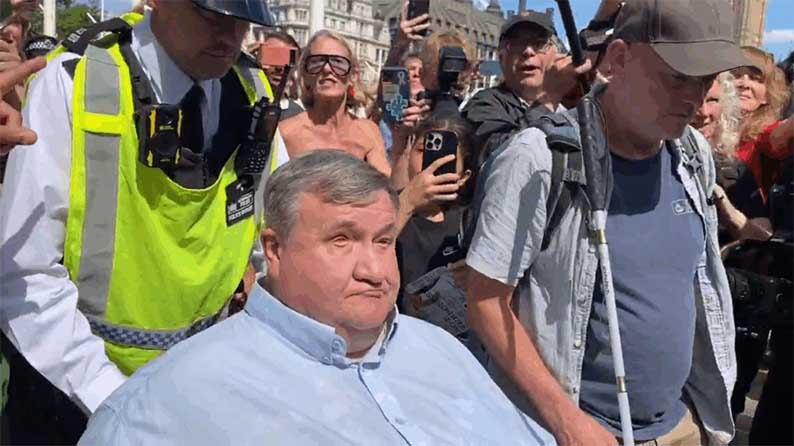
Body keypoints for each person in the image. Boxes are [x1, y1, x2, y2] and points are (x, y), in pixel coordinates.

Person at [78, 150, 556, 446]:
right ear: (275, 249)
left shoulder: (443, 351)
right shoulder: (161, 407)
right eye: (342, 240)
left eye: (384, 241)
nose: (374, 270)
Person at [464, 1, 750, 445]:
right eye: (677, 77)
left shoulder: (692, 155)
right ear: (617, 59)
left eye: (705, 80)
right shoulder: (540, 158)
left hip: (681, 425)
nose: (694, 98)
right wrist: (567, 422)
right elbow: (485, 301)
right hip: (574, 431)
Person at [0, 1, 285, 442]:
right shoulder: (75, 79)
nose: (231, 35)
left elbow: (272, 232)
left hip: (194, 389)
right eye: (212, 15)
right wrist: (117, 401)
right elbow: (25, 271)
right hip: (70, 397)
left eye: (243, 21)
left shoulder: (251, 89)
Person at [462, 11, 590, 167]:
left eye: (539, 43)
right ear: (501, 58)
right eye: (516, 44)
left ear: (557, 56)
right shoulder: (483, 105)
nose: (528, 51)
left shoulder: (573, 111)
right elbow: (501, 158)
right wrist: (549, 97)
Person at [395, 116, 475, 343]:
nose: (430, 164)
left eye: (446, 157)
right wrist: (408, 202)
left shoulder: (469, 219)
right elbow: (369, 247)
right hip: (401, 338)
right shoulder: (385, 206)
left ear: (463, 177)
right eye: (422, 150)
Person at [280, 30, 390, 175]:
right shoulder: (286, 133)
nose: (326, 69)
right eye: (317, 62)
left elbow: (386, 184)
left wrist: (401, 142)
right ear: (305, 75)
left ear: (353, 76)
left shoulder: (368, 132)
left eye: (338, 62)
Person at [692, 72, 772, 244]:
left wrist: (727, 210)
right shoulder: (651, 160)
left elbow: (764, 238)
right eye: (693, 99)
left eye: (712, 100)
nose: (704, 112)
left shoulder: (733, 169)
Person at [733, 46, 792, 202]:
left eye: (756, 79)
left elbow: (782, 135)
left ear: (767, 95)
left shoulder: (764, 135)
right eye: (736, 75)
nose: (744, 84)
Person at [254, 30, 304, 121]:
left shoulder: (298, 116)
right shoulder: (236, 98)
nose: (279, 67)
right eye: (273, 57)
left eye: (287, 60)